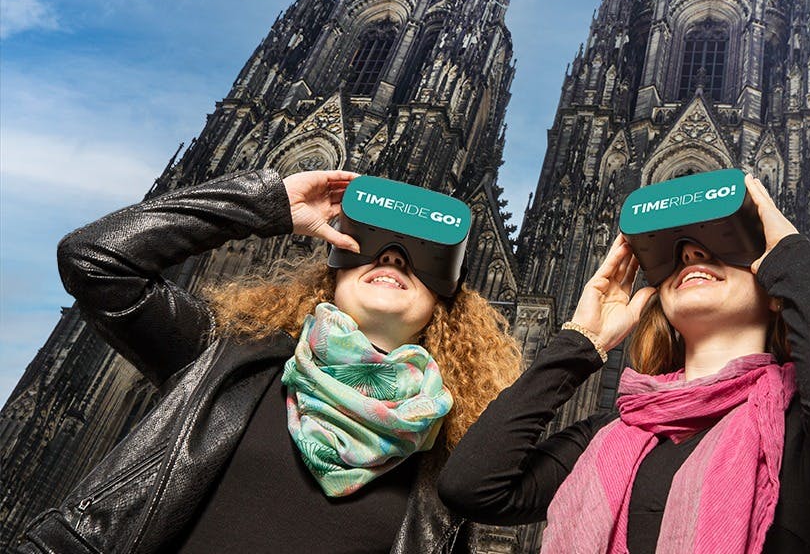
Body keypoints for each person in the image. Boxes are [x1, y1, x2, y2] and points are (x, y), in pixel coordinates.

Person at [16, 168, 521, 553]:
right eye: (368, 245)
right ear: (331, 275)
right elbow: (93, 259)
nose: (392, 256)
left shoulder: (449, 464)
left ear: (446, 305)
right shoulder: (225, 356)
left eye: (420, 256)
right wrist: (268, 203)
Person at [437, 174, 810, 553]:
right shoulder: (614, 432)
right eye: (674, 252)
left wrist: (791, 252)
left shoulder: (805, 433)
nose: (690, 253)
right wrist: (582, 342)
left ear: (776, 287)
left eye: (724, 243)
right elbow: (471, 485)